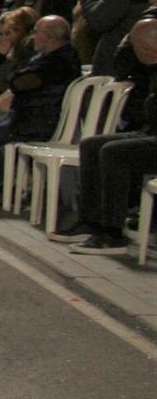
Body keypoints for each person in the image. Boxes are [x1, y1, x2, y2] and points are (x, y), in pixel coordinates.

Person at [50, 15, 157, 254]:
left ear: (149, 47)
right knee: (92, 145)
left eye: (136, 46)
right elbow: (123, 65)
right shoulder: (148, 69)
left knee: (114, 153)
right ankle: (92, 221)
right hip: (150, 133)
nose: (132, 49)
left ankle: (112, 232)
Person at [0, 15, 79, 203]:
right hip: (25, 113)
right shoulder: (47, 55)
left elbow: (20, 82)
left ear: (50, 37)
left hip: (39, 120)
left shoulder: (59, 60)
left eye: (37, 33)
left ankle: (3, 187)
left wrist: (15, 77)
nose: (33, 37)